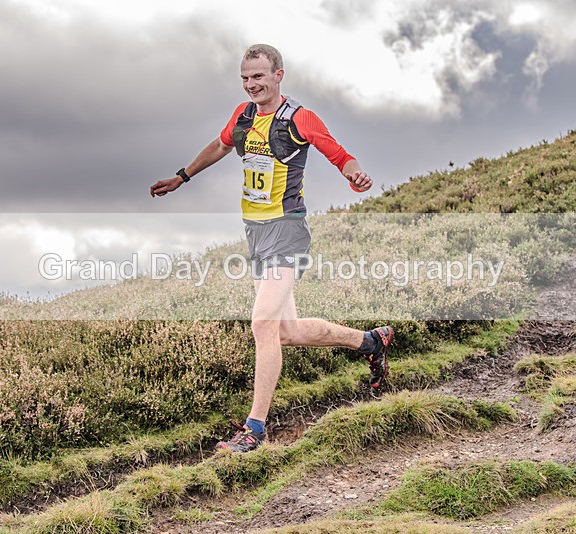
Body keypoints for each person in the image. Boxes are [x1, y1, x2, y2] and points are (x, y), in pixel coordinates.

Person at [150, 44, 393, 453]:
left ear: (278, 75)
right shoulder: (243, 116)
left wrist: (357, 177)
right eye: (246, 78)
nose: (252, 85)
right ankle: (370, 342)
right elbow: (221, 145)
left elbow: (340, 155)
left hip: (287, 230)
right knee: (287, 331)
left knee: (262, 323)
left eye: (259, 77)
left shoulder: (300, 118)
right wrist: (182, 176)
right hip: (256, 233)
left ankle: (255, 430)